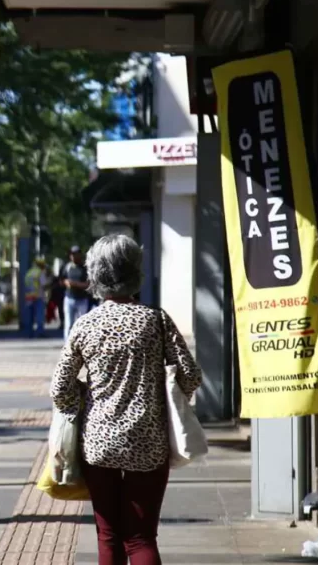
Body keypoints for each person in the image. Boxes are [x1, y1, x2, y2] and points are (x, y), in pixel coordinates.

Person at [50, 234, 202, 565]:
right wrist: (163, 397)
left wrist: (86, 400)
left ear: (94, 275)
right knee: (141, 537)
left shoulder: (85, 325)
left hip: (99, 442)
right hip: (148, 441)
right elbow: (190, 375)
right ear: (136, 272)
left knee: (109, 536)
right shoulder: (156, 321)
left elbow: (60, 389)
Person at [60, 245, 91, 339]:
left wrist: (75, 284)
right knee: (68, 324)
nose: (73, 256)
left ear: (80, 255)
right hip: (69, 299)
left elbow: (88, 284)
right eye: (72, 254)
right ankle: (67, 344)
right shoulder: (67, 267)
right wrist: (66, 283)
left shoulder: (85, 268)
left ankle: (82, 342)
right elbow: (61, 280)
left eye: (76, 254)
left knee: (82, 324)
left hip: (82, 300)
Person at [23, 258, 50, 337]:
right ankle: (40, 332)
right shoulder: (40, 273)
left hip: (29, 297)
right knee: (39, 316)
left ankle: (29, 333)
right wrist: (51, 284)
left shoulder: (29, 273)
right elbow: (44, 285)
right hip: (38, 296)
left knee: (30, 317)